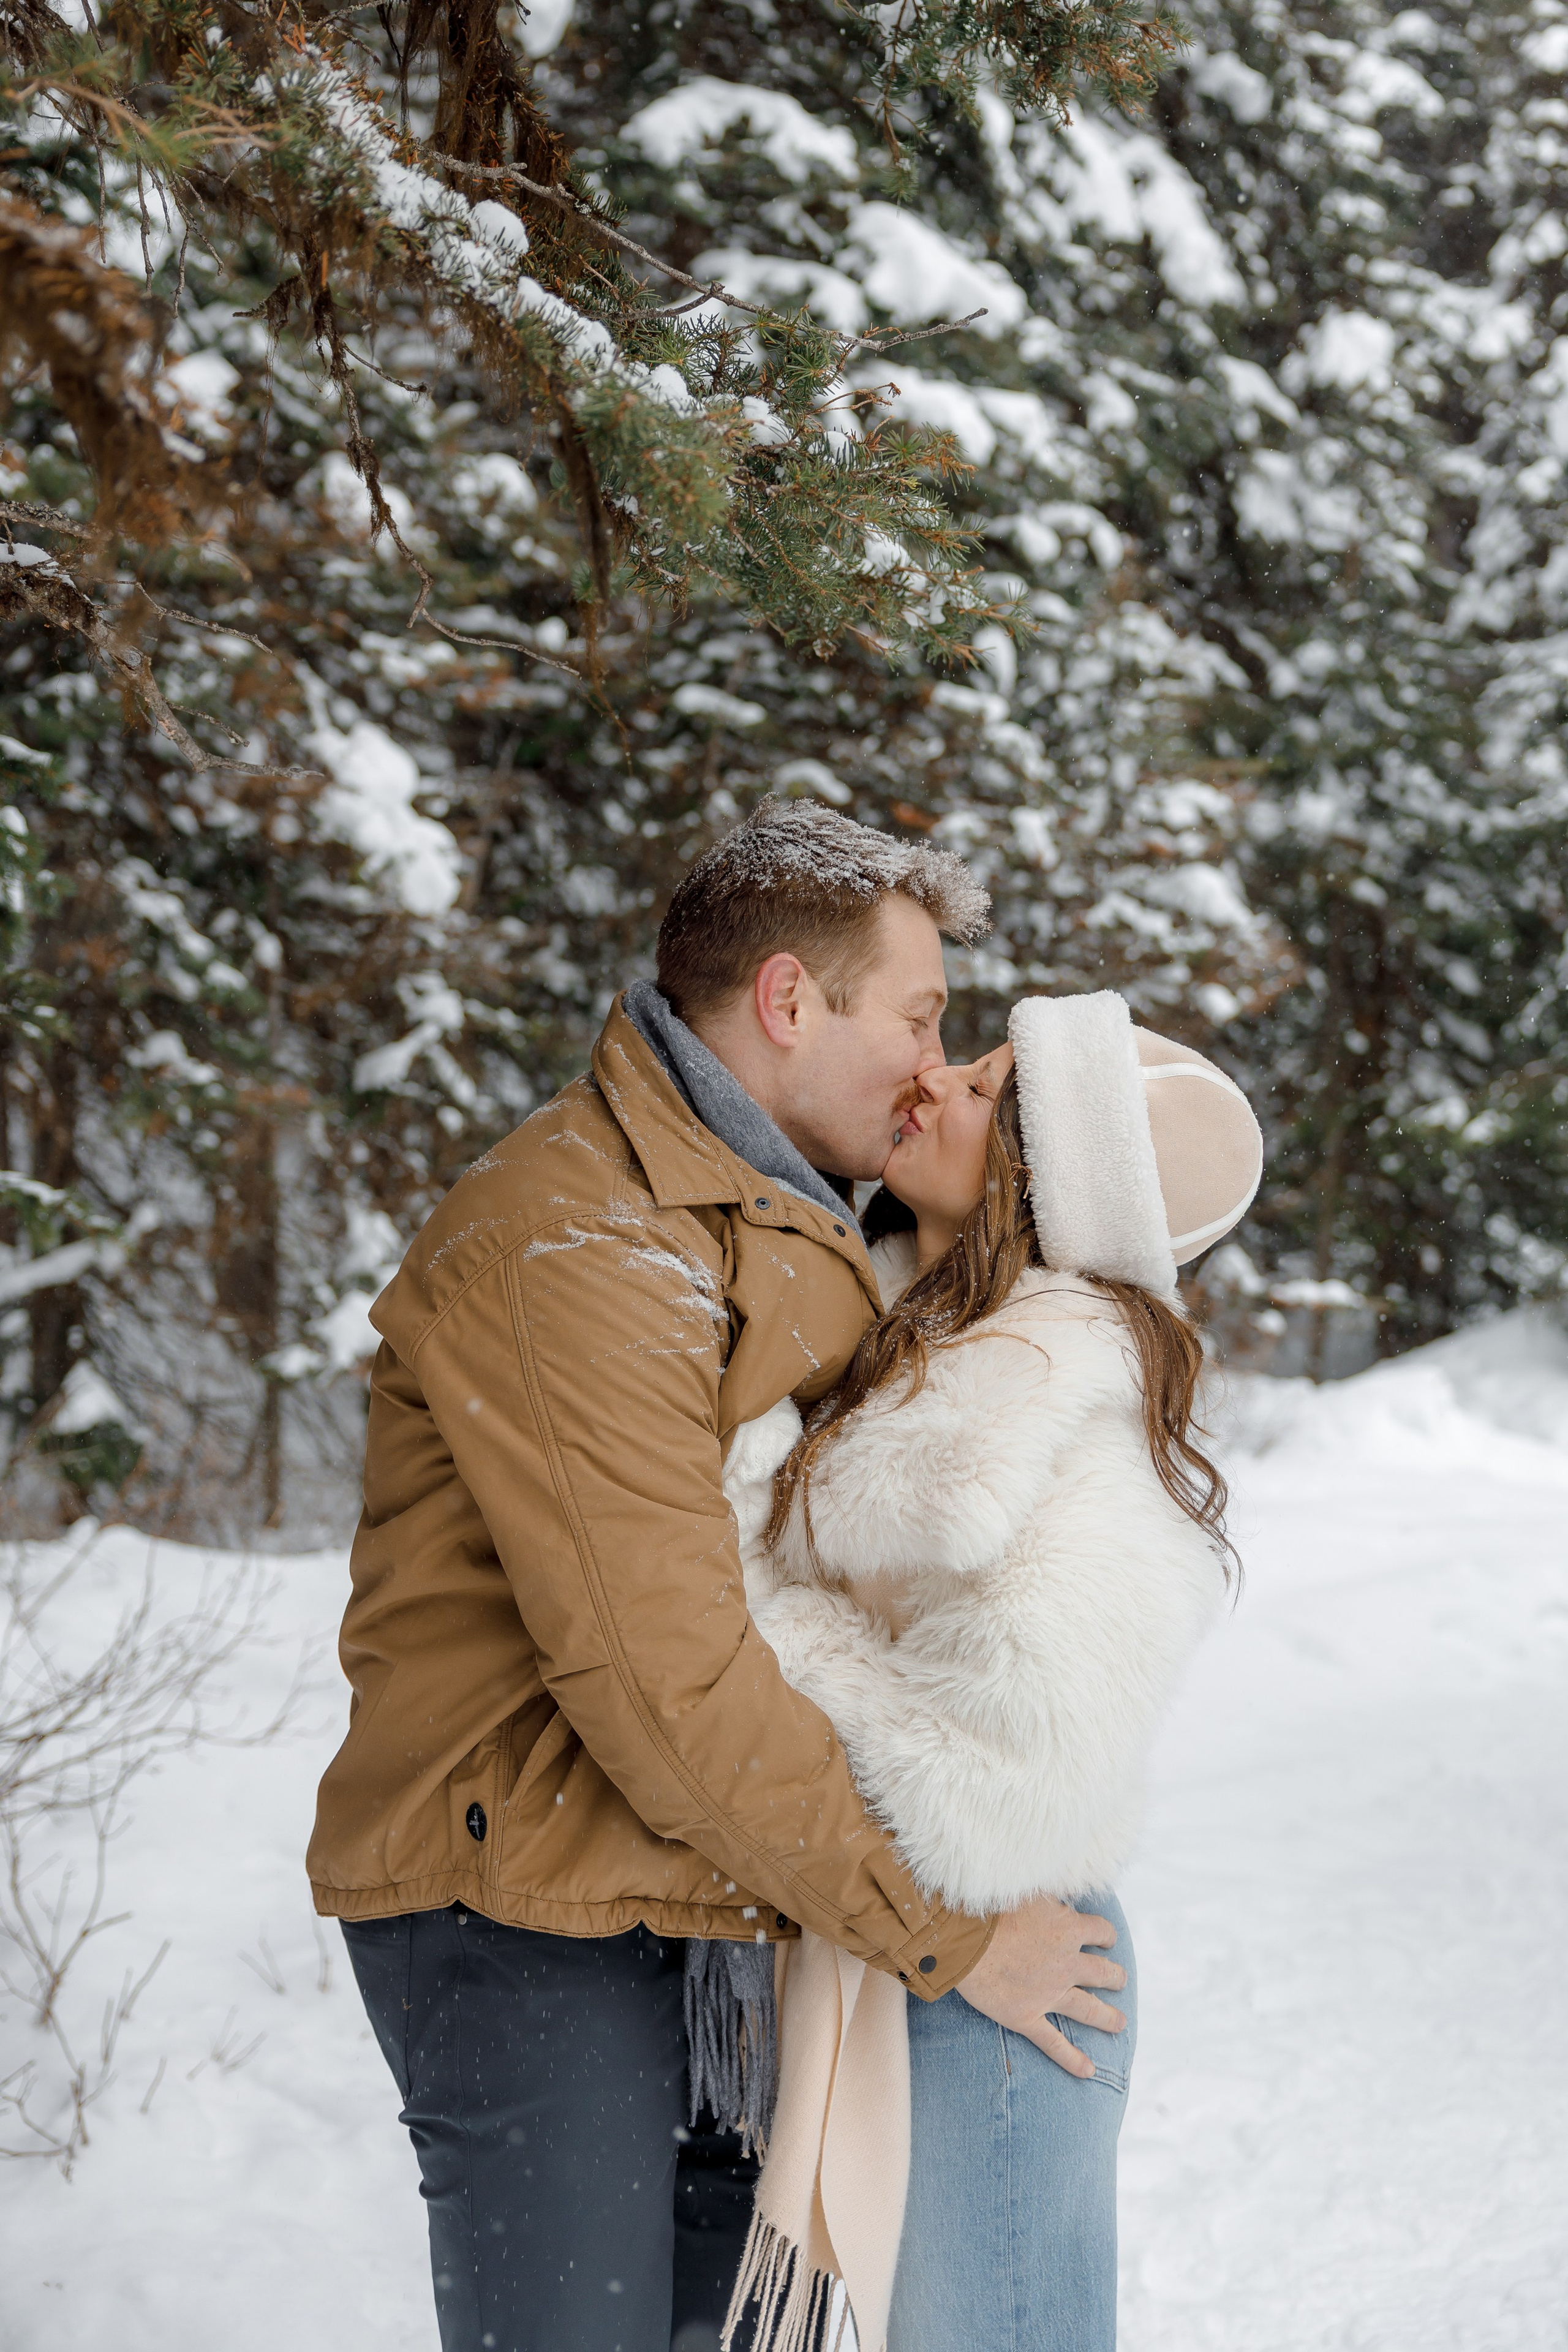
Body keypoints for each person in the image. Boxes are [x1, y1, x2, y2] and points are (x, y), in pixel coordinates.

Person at [306, 800, 1139, 2352]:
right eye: (915, 1013)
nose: (926, 1058)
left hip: (712, 1902)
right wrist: (946, 1932)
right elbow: (663, 1680)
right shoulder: (576, 1243)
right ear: (782, 1002)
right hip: (524, 1907)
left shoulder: (785, 1206)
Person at [721, 990, 1264, 2352]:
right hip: (917, 1950)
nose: (934, 1080)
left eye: (982, 1086)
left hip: (1003, 1970)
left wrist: (759, 1615)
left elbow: (1018, 1785)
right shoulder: (919, 1341)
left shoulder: (1054, 1414)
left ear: (1039, 1173)